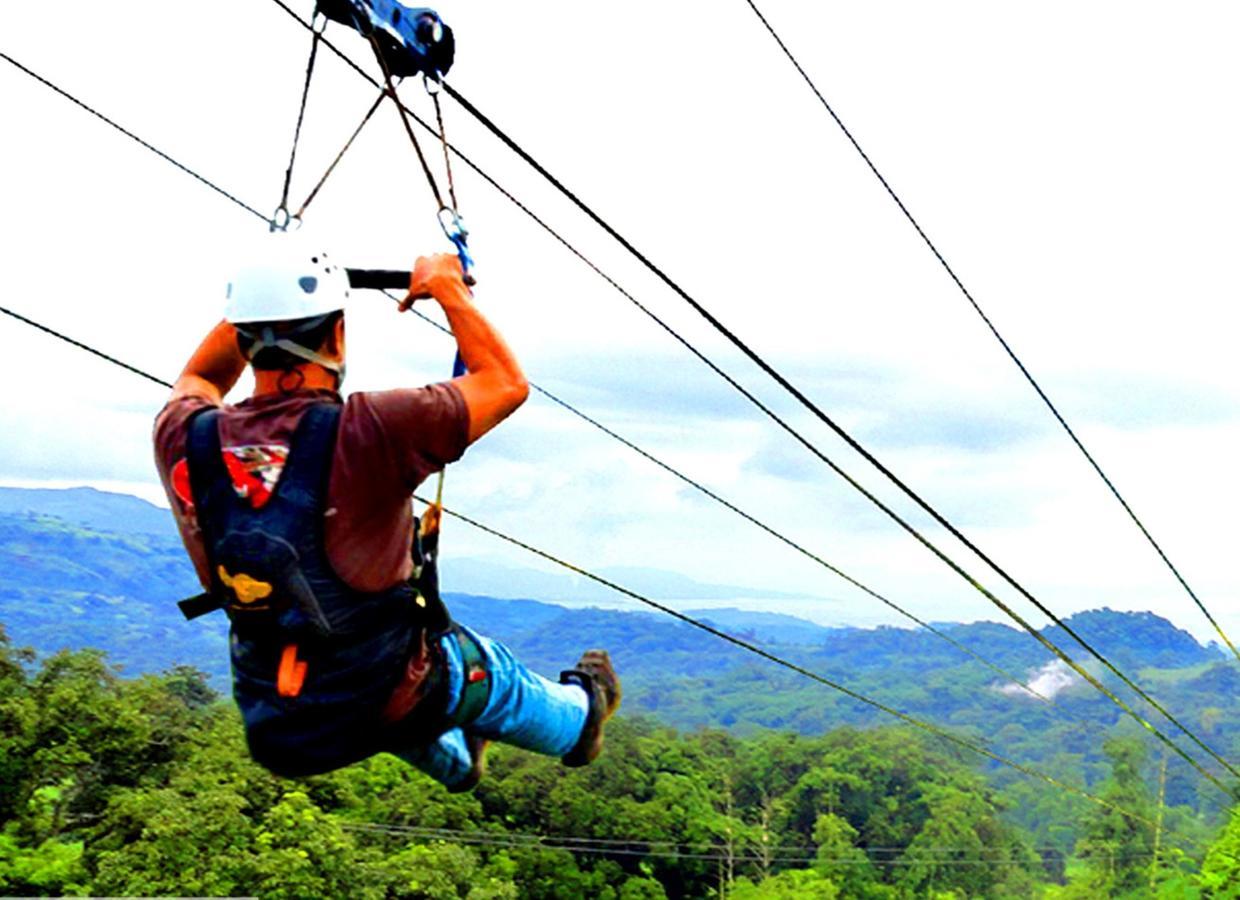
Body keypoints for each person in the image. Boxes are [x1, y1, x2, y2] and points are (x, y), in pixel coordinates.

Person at [152, 234, 620, 790]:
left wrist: (260, 298)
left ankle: (458, 762)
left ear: (243, 337)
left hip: (277, 720)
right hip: (384, 692)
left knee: (382, 686)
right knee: (481, 672)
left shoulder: (184, 434)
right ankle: (580, 720)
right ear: (338, 332)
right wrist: (448, 289)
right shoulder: (370, 430)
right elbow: (505, 384)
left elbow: (202, 378)